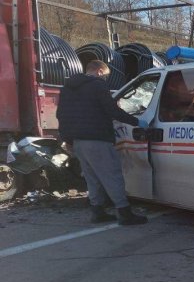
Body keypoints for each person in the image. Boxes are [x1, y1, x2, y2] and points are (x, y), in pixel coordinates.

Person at [56, 60, 148, 225]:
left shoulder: (67, 89)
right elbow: (112, 110)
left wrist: (67, 139)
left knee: (92, 178)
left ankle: (97, 212)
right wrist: (136, 121)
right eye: (105, 76)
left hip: (78, 142)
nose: (105, 79)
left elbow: (61, 115)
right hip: (97, 139)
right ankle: (124, 213)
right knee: (112, 175)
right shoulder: (98, 85)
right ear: (99, 71)